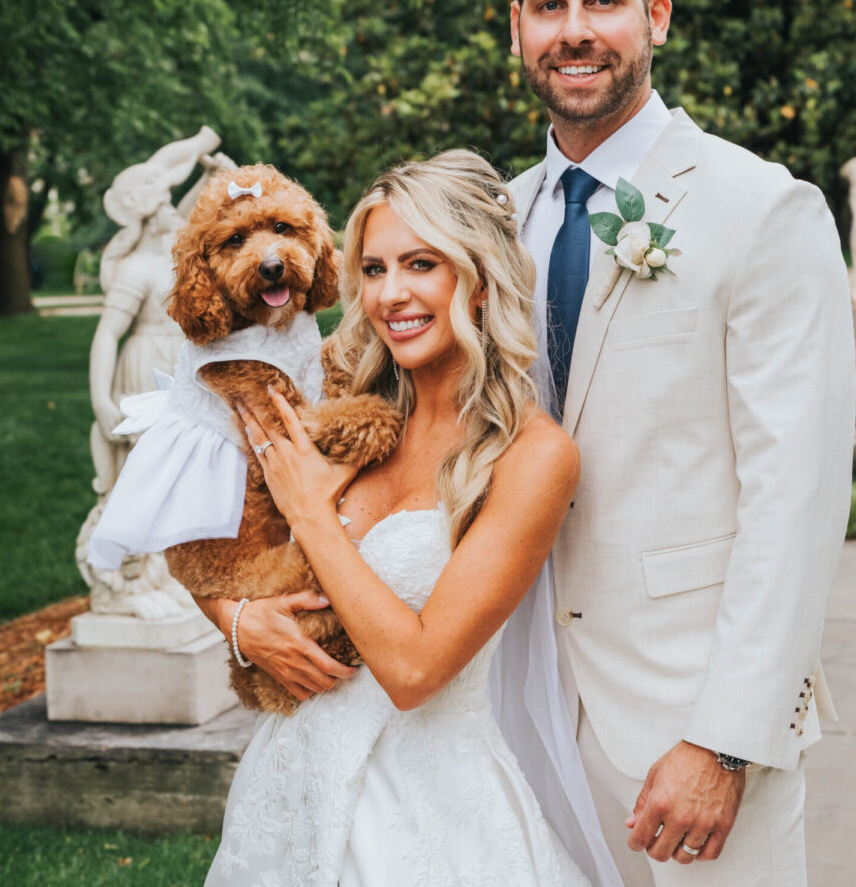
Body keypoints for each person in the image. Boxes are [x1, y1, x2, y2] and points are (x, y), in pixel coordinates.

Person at [502, 0, 854, 887]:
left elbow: (798, 498)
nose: (574, 29)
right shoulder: (495, 219)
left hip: (687, 722)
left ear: (655, 17)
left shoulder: (762, 209)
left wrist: (729, 738)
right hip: (519, 704)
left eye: (603, 0)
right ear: (518, 27)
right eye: (549, 4)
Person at [198, 150, 620, 886]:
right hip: (285, 784)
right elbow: (186, 519)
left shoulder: (532, 457)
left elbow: (416, 669)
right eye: (373, 269)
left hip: (425, 820)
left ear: (479, 278)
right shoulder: (338, 396)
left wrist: (311, 512)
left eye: (421, 264)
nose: (392, 295)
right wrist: (232, 616)